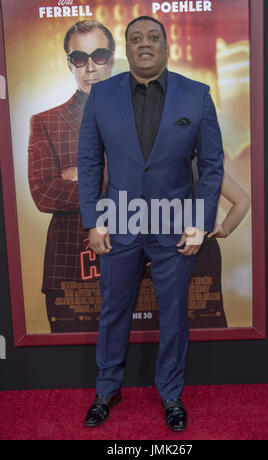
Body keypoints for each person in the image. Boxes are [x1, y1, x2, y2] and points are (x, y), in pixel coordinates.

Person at [78, 16, 224, 431]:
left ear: (166, 46)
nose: (145, 44)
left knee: (175, 313)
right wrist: (94, 219)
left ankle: (171, 395)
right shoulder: (101, 95)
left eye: (153, 38)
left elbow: (212, 165)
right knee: (113, 311)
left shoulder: (196, 96)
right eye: (136, 38)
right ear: (126, 48)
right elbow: (89, 162)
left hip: (176, 227)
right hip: (117, 221)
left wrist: (199, 220)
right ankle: (106, 389)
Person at [28, 21, 115, 332]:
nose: (89, 67)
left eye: (99, 55)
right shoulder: (45, 121)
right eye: (80, 58)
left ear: (113, 59)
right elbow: (44, 192)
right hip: (70, 263)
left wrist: (87, 176)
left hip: (137, 257)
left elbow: (155, 179)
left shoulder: (142, 114)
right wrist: (118, 182)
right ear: (69, 64)